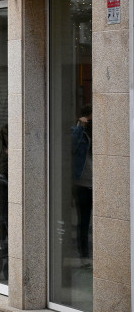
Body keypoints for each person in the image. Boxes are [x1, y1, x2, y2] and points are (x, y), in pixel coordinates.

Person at [72, 104, 93, 261]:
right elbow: (72, 146)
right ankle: (84, 255)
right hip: (82, 184)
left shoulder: (97, 132)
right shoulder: (79, 132)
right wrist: (80, 126)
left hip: (98, 184)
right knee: (84, 221)